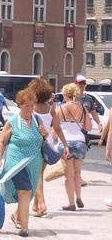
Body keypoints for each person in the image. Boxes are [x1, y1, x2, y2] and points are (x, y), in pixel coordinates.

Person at [0, 88, 47, 237]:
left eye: (32, 106)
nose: (30, 109)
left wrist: (45, 134)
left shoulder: (37, 120)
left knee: (29, 194)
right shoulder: (12, 121)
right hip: (16, 162)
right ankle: (24, 227)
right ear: (19, 105)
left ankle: (18, 216)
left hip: (34, 163)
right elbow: (2, 142)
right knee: (25, 191)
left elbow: (44, 141)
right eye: (27, 106)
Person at [29, 79, 69, 217]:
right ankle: (35, 205)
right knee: (38, 174)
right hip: (48, 143)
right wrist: (65, 144)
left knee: (36, 175)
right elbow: (57, 128)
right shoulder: (51, 109)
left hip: (35, 144)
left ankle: (42, 204)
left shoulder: (31, 107)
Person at [55, 83, 92, 211]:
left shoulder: (60, 108)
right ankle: (79, 196)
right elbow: (88, 128)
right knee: (77, 173)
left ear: (66, 94)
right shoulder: (83, 108)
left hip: (65, 143)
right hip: (80, 143)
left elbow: (55, 129)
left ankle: (71, 203)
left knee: (68, 175)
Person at [74, 75, 103, 187]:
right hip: (73, 130)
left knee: (81, 154)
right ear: (75, 84)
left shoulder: (88, 99)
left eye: (83, 83)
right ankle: (77, 177)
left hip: (84, 131)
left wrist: (99, 123)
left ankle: (77, 175)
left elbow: (93, 112)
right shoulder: (72, 97)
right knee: (75, 154)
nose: (81, 85)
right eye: (79, 83)